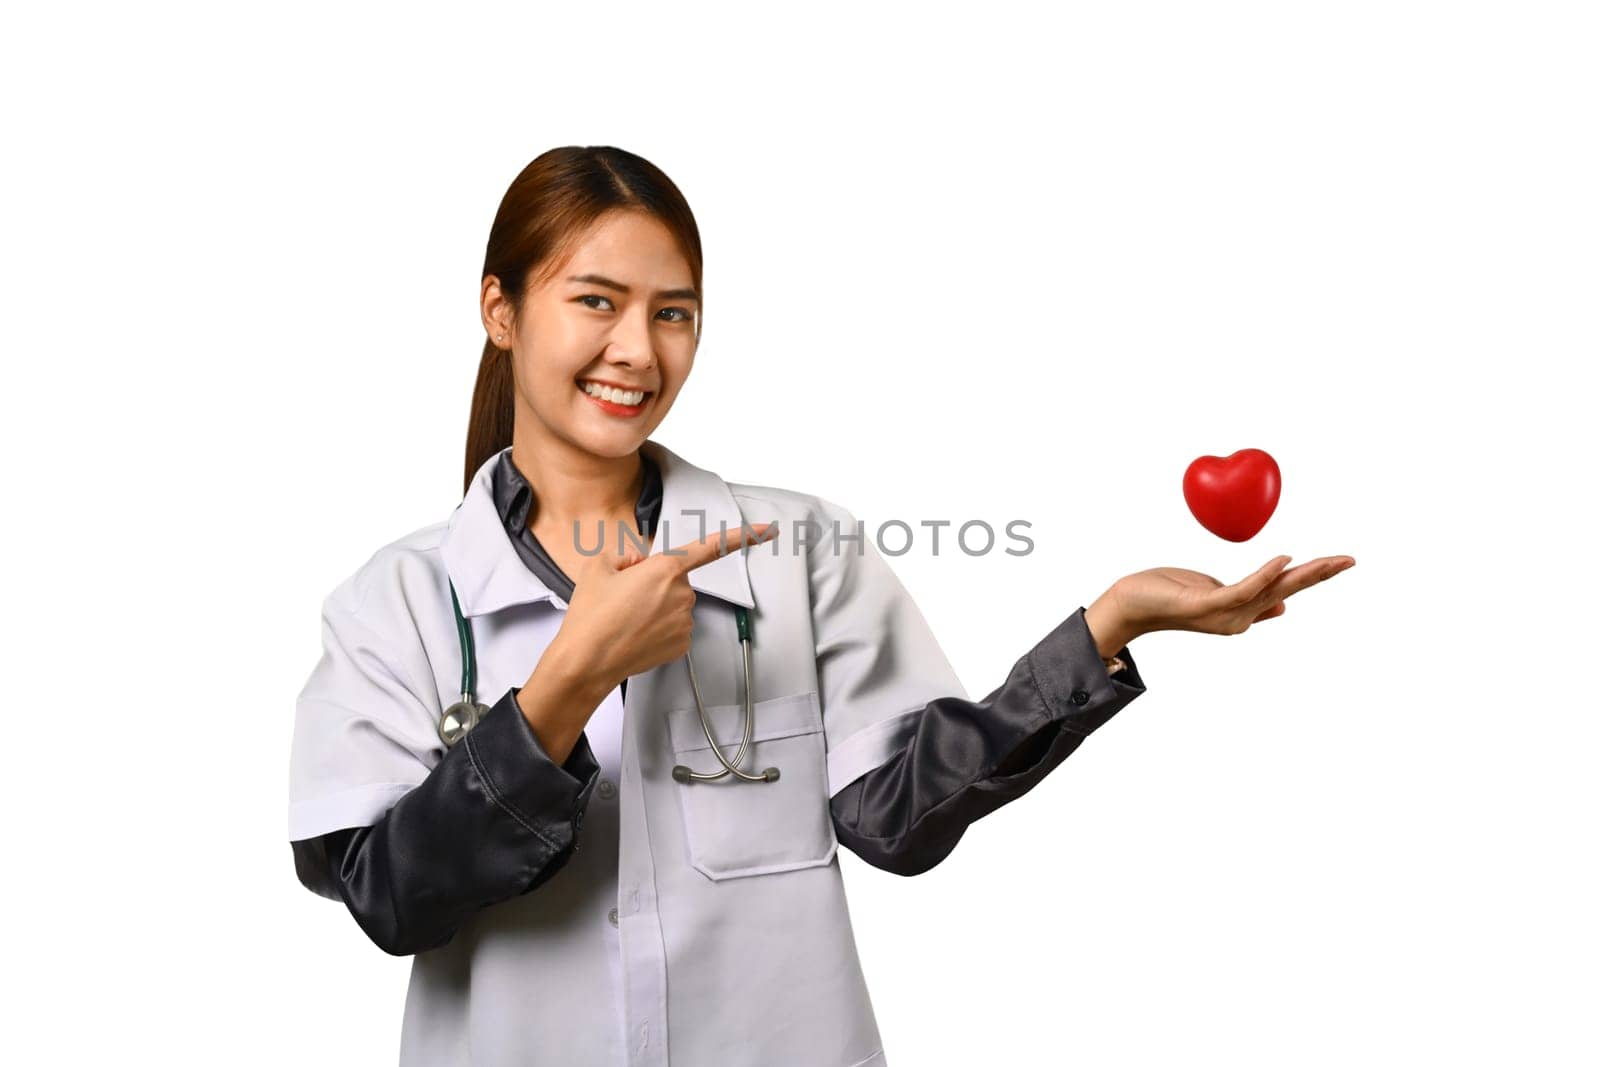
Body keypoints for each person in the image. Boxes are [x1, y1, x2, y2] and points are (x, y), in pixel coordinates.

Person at [286, 145, 1356, 1067]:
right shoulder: (399, 601)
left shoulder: (798, 553)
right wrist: (571, 678)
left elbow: (895, 815)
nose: (637, 350)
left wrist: (1105, 627)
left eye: (674, 314)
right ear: (500, 310)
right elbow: (389, 896)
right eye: (596, 301)